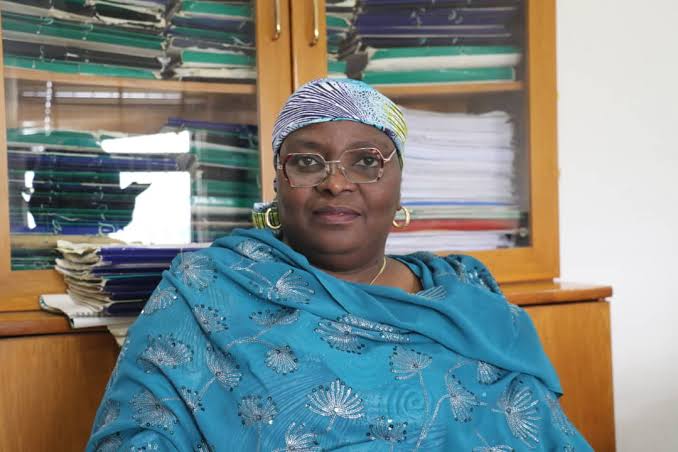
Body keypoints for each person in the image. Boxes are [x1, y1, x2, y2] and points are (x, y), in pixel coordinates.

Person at [87, 78, 591, 451]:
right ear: (278, 183)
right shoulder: (207, 290)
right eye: (307, 162)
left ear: (398, 187)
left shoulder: (464, 295)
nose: (335, 182)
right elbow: (136, 437)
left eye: (366, 161)